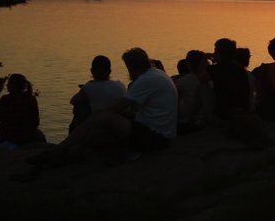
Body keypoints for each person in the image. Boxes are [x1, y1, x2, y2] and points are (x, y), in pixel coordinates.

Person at [28, 47, 177, 166]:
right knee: (106, 119)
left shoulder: (145, 80)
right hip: (159, 132)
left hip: (155, 136)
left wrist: (97, 118)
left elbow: (115, 110)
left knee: (103, 117)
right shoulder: (156, 73)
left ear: (133, 66)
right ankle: (75, 150)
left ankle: (60, 150)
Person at [69, 56, 127, 131]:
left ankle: (76, 135)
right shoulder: (120, 85)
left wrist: (85, 92)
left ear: (91, 71)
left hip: (99, 123)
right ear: (109, 71)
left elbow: (73, 101)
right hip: (120, 122)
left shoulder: (89, 87)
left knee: (79, 107)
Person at [0, 74, 45, 144]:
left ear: (14, 85)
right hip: (24, 136)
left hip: (5, 136)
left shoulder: (4, 99)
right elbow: (35, 122)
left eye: (9, 83)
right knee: (40, 135)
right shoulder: (31, 99)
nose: (6, 85)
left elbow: (2, 121)